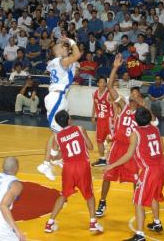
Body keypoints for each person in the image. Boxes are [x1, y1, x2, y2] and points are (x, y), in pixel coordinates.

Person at [104, 107, 164, 241]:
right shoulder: (155, 129)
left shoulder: (136, 133)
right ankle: (157, 223)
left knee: (138, 201)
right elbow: (162, 148)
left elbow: (128, 155)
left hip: (150, 170)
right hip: (162, 167)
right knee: (154, 196)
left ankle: (139, 235)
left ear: (135, 120)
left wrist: (112, 165)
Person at [96, 54, 144, 218]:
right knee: (107, 176)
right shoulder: (123, 105)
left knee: (135, 179)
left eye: (137, 94)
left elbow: (153, 125)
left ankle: (137, 202)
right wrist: (115, 68)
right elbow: (110, 87)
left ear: (140, 98)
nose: (134, 96)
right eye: (133, 93)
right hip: (117, 147)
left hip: (131, 150)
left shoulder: (142, 114)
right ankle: (102, 202)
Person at [44, 110, 104, 233]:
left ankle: (49, 224)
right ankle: (93, 223)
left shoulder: (57, 137)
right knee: (89, 195)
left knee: (63, 195)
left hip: (68, 168)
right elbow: (91, 147)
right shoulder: (80, 129)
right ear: (69, 119)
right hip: (82, 166)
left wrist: (50, 158)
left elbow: (55, 155)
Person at [37, 37, 81, 181]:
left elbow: (74, 63)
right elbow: (77, 55)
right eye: (64, 47)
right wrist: (71, 40)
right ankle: (45, 164)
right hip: (57, 98)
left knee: (62, 130)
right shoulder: (61, 61)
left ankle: (55, 158)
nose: (66, 48)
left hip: (60, 98)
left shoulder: (55, 63)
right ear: (59, 51)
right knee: (57, 134)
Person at [91, 77, 112, 167]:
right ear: (98, 83)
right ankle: (102, 159)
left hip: (109, 120)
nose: (102, 84)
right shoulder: (94, 93)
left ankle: (116, 156)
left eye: (104, 82)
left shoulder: (109, 94)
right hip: (100, 120)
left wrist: (115, 117)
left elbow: (115, 106)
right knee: (99, 141)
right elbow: (94, 104)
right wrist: (93, 115)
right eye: (101, 82)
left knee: (114, 138)